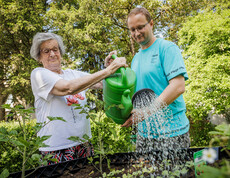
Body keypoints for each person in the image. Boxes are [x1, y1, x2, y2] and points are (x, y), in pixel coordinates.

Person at [30, 32, 127, 164]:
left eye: (55, 49)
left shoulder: (73, 74)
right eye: (46, 51)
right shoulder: (39, 74)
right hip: (56, 149)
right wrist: (109, 70)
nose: (52, 54)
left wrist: (109, 69)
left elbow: (100, 83)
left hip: (83, 144)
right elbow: (67, 88)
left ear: (61, 52)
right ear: (39, 56)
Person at [106, 7, 190, 152]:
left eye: (140, 27)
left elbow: (178, 86)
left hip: (173, 132)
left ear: (151, 24)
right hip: (145, 134)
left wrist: (146, 112)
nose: (136, 33)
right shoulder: (136, 58)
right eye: (132, 29)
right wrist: (110, 71)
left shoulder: (166, 48)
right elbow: (130, 91)